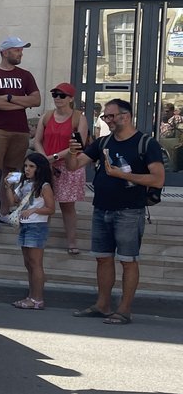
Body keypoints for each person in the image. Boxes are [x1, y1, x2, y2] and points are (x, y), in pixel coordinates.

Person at [67, 98, 166, 325]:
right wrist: (72, 152)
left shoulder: (145, 143)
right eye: (105, 117)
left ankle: (124, 310)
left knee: (128, 260)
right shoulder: (102, 143)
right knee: (102, 259)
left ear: (126, 116)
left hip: (129, 211)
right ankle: (102, 305)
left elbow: (158, 178)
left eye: (111, 116)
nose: (107, 120)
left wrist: (122, 175)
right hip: (101, 208)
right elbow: (74, 166)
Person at [0, 37, 41, 231]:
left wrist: (8, 98)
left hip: (20, 130)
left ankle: (5, 212)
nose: (20, 53)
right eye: (17, 50)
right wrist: (21, 103)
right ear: (5, 52)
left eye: (21, 50)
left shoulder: (26, 75)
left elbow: (37, 100)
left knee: (13, 172)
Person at [32, 82, 89, 255]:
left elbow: (78, 144)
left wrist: (53, 157)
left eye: (62, 95)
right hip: (47, 164)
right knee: (44, 203)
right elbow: (37, 140)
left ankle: (72, 241)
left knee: (67, 205)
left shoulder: (79, 118)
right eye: (55, 95)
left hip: (68, 165)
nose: (58, 98)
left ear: (71, 98)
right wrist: (43, 158)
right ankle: (39, 239)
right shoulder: (47, 116)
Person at [5, 153, 56, 310]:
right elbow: (13, 201)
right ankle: (31, 296)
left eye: (31, 166)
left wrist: (34, 210)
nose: (27, 169)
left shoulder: (44, 186)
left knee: (35, 263)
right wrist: (8, 186)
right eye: (26, 166)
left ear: (39, 169)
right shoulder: (24, 183)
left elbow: (51, 208)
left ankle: (37, 299)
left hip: (36, 226)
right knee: (28, 263)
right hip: (25, 225)